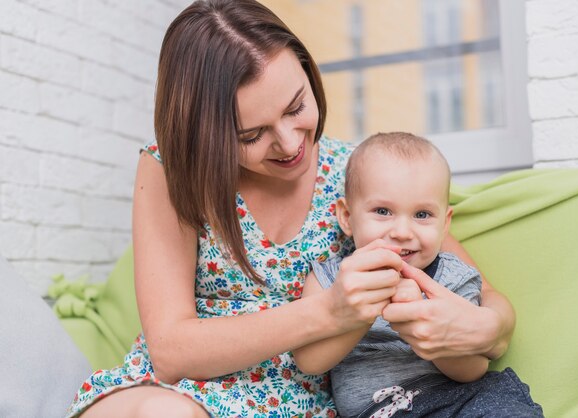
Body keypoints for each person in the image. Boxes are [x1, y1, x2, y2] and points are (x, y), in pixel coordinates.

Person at [67, 1, 516, 417]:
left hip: (296, 402)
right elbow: (170, 350)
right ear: (203, 135)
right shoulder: (171, 169)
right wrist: (329, 312)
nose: (289, 143)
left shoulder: (360, 177)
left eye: (298, 106)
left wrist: (486, 330)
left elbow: (478, 289)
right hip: (179, 388)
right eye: (251, 135)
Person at [293, 132, 543, 418]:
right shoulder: (328, 278)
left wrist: (429, 334)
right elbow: (309, 360)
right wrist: (363, 310)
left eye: (422, 215)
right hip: (382, 412)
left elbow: (473, 371)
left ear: (445, 224)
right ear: (347, 217)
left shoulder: (451, 277)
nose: (402, 232)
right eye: (383, 211)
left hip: (462, 400)